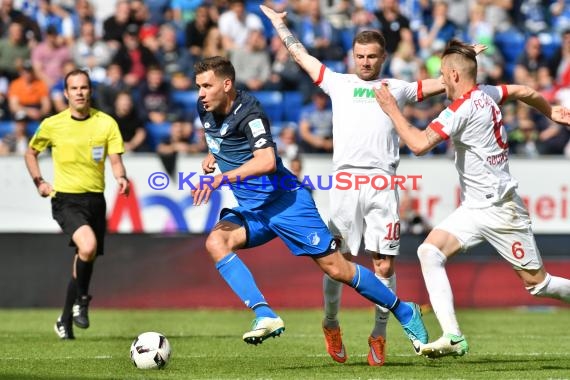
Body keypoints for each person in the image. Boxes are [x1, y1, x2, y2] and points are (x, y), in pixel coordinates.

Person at [260, 4, 481, 366]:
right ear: (353, 56)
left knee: (384, 266)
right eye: (360, 56)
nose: (365, 62)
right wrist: (281, 27)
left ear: (383, 57)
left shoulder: (398, 88)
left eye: (371, 56)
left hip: (382, 183)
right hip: (346, 183)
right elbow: (300, 55)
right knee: (338, 260)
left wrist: (467, 56)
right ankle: (331, 322)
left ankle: (379, 335)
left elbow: (450, 80)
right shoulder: (338, 82)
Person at [190, 56, 428, 353]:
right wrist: (216, 154)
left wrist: (220, 179)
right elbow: (224, 139)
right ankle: (265, 314)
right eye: (199, 86)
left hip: (286, 202)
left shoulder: (250, 114)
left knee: (338, 269)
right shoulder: (205, 108)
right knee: (216, 242)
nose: (200, 93)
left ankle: (405, 311)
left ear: (227, 85)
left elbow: (265, 161)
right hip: (255, 210)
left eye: (206, 86)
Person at [374, 40, 570, 359]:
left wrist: (391, 109)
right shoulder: (488, 93)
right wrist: (552, 112)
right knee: (429, 251)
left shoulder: (460, 110)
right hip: (475, 208)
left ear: (452, 75)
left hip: (502, 210)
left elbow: (419, 144)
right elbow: (524, 91)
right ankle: (452, 335)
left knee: (538, 284)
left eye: (442, 75)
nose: (441, 82)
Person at [24, 69, 130, 340]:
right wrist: (39, 182)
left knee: (84, 258)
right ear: (66, 93)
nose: (80, 92)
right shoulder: (53, 124)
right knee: (88, 246)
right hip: (66, 199)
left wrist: (121, 178)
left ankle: (64, 319)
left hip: (95, 200)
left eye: (84, 87)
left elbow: (115, 160)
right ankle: (82, 299)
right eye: (74, 88)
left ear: (90, 91)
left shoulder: (106, 123)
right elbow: (30, 152)